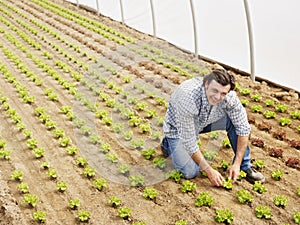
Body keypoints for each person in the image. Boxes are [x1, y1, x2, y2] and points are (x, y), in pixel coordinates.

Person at [161, 69, 265, 186]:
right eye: (215, 90)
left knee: (235, 122)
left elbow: (243, 128)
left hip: (205, 121)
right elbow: (189, 142)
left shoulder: (229, 97)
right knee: (190, 172)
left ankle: (245, 166)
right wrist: (210, 171)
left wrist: (237, 163)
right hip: (178, 130)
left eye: (223, 93)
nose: (217, 97)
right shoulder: (187, 97)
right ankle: (167, 143)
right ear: (206, 84)